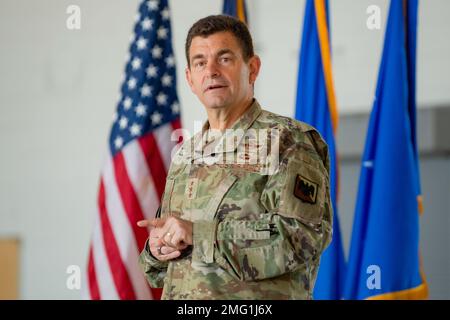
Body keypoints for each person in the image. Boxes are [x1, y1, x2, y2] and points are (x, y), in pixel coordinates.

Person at [137, 14, 332, 300]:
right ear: (190, 79)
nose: (211, 71)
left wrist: (199, 235)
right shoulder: (187, 154)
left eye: (224, 58)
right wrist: (157, 249)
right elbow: (169, 266)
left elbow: (301, 237)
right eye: (200, 62)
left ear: (252, 69)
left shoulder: (287, 140)